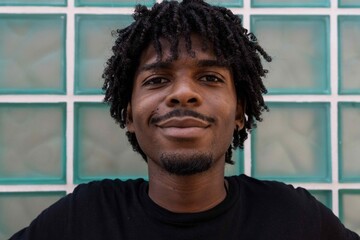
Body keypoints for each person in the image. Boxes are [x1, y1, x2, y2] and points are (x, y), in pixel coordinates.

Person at [10, 0, 360, 239]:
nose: (182, 94)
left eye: (209, 78)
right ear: (129, 115)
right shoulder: (83, 220)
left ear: (239, 113)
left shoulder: (294, 220)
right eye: (157, 80)